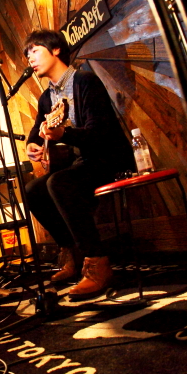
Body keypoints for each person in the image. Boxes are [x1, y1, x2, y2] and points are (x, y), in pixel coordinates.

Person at [23, 29, 135, 296]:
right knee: (32, 190)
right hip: (80, 163)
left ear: (56, 50)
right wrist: (32, 145)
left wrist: (64, 134)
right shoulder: (47, 97)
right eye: (27, 56)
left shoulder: (85, 82)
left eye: (35, 51)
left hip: (107, 158)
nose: (30, 59)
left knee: (59, 183)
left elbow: (100, 134)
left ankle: (97, 261)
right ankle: (70, 252)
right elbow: (37, 131)